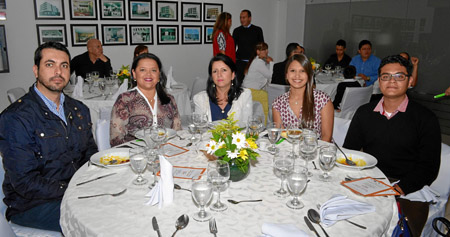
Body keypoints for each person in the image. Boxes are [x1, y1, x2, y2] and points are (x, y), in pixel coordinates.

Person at [0, 42, 98, 231]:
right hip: (32, 204)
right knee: (98, 221)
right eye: (50, 64)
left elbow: (89, 153)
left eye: (64, 65)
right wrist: (74, 189)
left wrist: (96, 181)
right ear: (36, 70)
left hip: (76, 192)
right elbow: (24, 182)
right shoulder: (15, 117)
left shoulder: (79, 109)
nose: (58, 72)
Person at [343, 55, 441, 236]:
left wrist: (397, 189)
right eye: (386, 76)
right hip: (370, 181)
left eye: (399, 76)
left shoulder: (425, 118)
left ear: (410, 80)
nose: (392, 81)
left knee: (402, 230)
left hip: (408, 187)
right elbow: (350, 153)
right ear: (379, 81)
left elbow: (429, 166)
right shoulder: (364, 113)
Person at [110, 53, 181, 146]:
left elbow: (177, 132)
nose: (148, 74)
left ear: (159, 75)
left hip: (167, 152)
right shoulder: (125, 100)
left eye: (153, 70)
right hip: (135, 155)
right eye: (142, 70)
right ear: (134, 74)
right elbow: (116, 139)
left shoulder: (169, 99)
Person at [272, 54, 334, 142]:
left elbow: (326, 138)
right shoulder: (278, 104)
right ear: (286, 75)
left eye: (302, 71)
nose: (297, 75)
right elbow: (282, 139)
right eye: (293, 71)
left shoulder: (323, 100)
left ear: (309, 75)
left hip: (317, 151)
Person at [193, 54, 252, 128]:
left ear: (232, 75)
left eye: (224, 70)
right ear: (212, 76)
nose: (219, 75)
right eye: (215, 71)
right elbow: (199, 129)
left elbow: (247, 127)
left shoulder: (244, 95)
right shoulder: (200, 99)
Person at [232, 9, 264, 83]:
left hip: (253, 62)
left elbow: (261, 46)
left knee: (253, 84)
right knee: (239, 83)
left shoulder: (257, 30)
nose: (242, 20)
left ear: (249, 18)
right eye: (240, 17)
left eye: (244, 17)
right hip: (240, 62)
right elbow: (233, 47)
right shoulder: (237, 31)